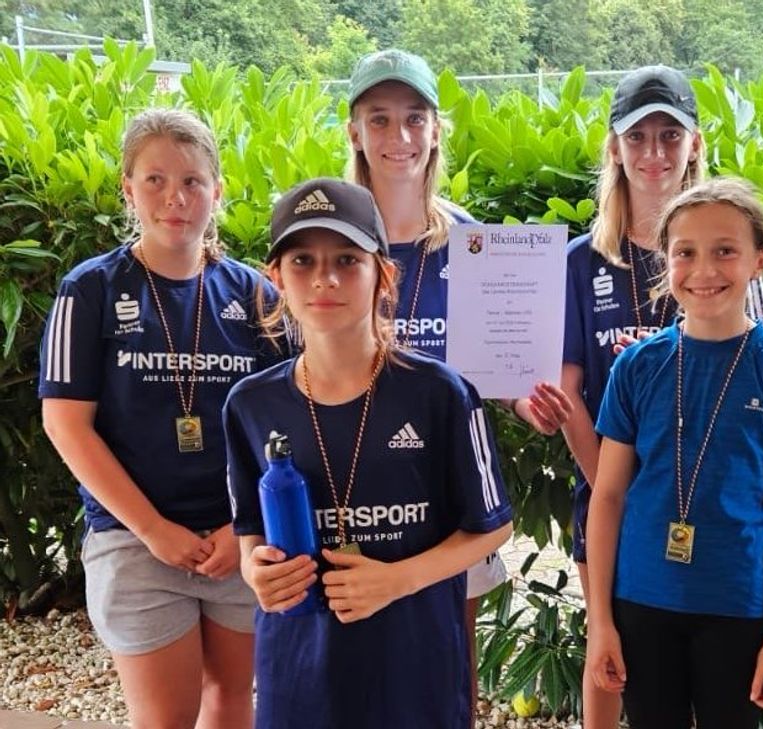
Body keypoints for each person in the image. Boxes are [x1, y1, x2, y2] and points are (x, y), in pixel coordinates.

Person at [224, 177, 513, 728]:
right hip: (299, 671)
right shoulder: (250, 404)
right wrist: (256, 571)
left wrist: (397, 579)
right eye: (303, 261)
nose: (325, 278)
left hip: (414, 667)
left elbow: (492, 525)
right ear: (275, 277)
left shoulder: (441, 393)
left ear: (383, 274)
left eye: (347, 260)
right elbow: (250, 534)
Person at [39, 108, 286, 728]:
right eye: (155, 180)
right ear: (128, 188)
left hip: (237, 538)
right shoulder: (88, 290)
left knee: (233, 700)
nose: (175, 198)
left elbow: (291, 419)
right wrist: (152, 529)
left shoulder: (257, 295)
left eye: (192, 181)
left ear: (217, 191)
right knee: (165, 718)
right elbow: (65, 424)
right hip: (135, 539)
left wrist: (242, 528)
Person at [344, 49, 572, 718]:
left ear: (436, 129)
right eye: (380, 119)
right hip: (351, 481)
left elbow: (496, 366)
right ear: (355, 132)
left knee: (450, 668)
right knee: (350, 664)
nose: (399, 136)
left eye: (415, 118)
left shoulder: (473, 244)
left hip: (448, 488)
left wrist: (527, 401)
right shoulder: (335, 240)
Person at [559, 65, 763, 728]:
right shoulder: (580, 262)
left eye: (670, 135)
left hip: (712, 503)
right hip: (610, 491)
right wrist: (615, 490)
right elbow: (568, 393)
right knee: (609, 651)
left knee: (708, 664)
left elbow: (755, 371)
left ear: (695, 144)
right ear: (614, 148)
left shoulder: (727, 251)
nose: (654, 152)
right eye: (637, 136)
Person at [585, 176, 763, 729]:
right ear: (666, 261)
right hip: (642, 600)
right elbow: (608, 496)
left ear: (760, 260)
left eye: (725, 251)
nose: (704, 270)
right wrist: (600, 621)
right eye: (685, 253)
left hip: (737, 604)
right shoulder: (637, 367)